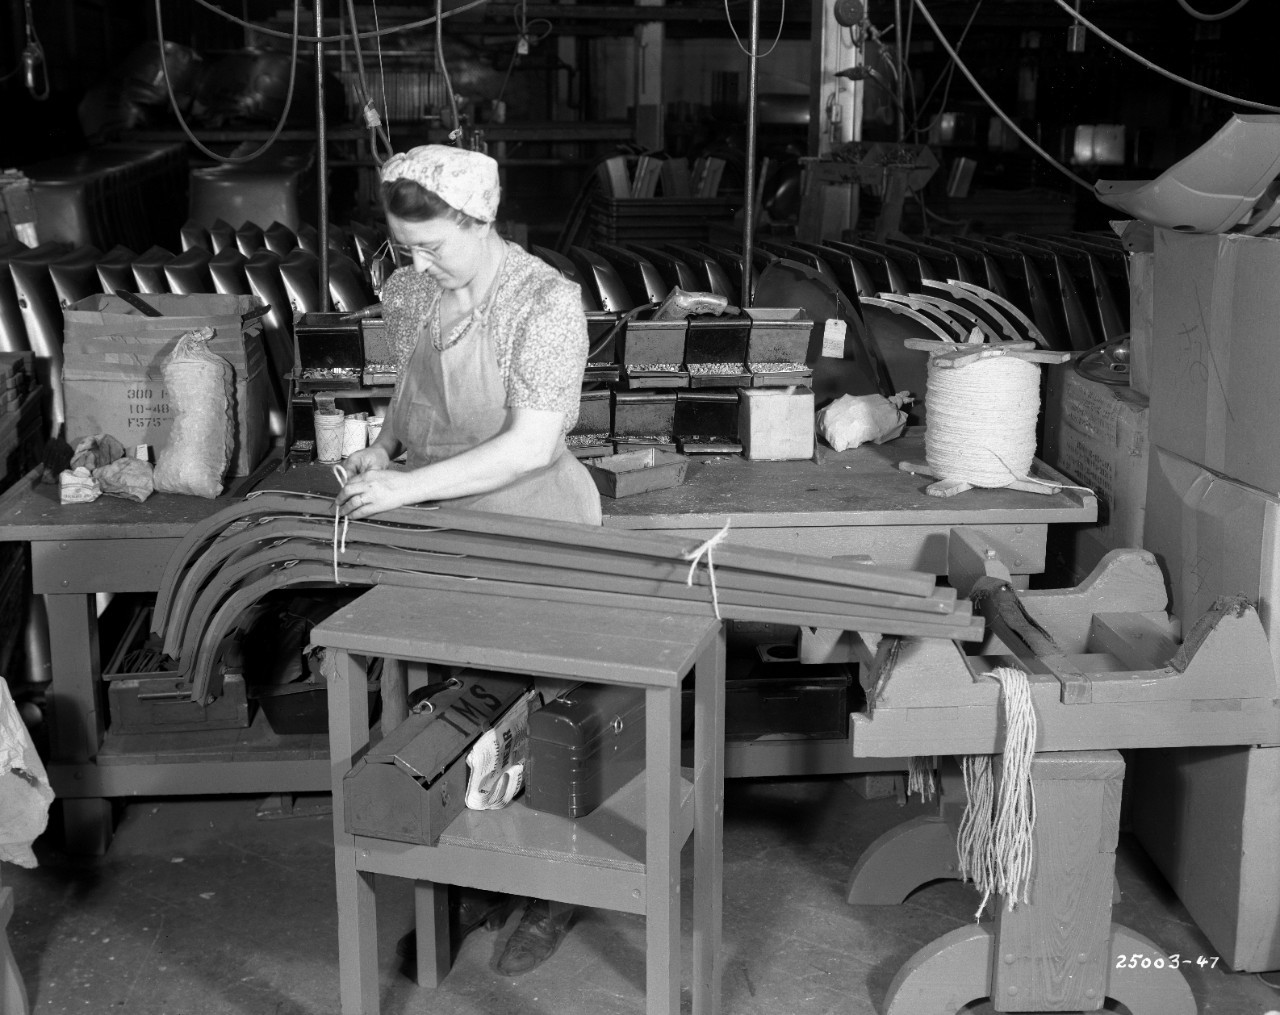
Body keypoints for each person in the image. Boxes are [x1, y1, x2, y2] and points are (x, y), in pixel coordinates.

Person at [336, 144, 599, 975]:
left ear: (480, 219)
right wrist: (383, 451)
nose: (418, 262)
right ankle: (470, 874)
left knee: (550, 716)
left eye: (435, 244)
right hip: (448, 532)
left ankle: (550, 887)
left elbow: (529, 446)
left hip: (536, 530)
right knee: (461, 709)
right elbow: (412, 399)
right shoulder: (411, 290)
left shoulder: (545, 303)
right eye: (404, 245)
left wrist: (408, 492)